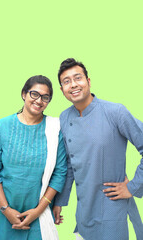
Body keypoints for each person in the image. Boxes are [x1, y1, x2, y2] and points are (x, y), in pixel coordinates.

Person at [53, 58, 143, 240]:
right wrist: (59, 201)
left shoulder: (115, 112)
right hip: (84, 213)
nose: (73, 85)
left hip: (111, 211)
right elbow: (70, 164)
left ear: (88, 81)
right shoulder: (64, 118)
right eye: (66, 81)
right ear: (62, 90)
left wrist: (133, 187)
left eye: (77, 78)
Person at [0, 75, 67, 240]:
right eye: (34, 94)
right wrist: (6, 209)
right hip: (0, 212)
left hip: (37, 215)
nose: (39, 100)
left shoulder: (54, 129)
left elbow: (60, 173)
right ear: (24, 94)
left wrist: (38, 210)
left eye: (45, 97)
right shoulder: (3, 125)